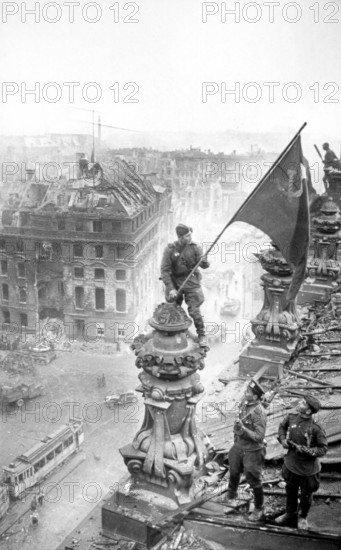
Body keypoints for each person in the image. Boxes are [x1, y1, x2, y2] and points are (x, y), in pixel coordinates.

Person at [276, 393, 328, 530]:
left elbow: (323, 449)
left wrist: (307, 451)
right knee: (290, 491)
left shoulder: (316, 428)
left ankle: (302, 517)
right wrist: (282, 439)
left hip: (308, 469)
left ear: (309, 410)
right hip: (292, 464)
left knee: (306, 495)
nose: (299, 403)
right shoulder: (291, 418)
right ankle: (289, 514)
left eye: (303, 403)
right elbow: (282, 427)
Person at [160, 224, 209, 345]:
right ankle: (176, 332)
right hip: (175, 282)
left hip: (191, 281)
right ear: (180, 237)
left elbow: (205, 266)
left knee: (194, 311)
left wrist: (204, 261)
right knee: (172, 308)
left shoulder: (195, 248)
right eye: (187, 236)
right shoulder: (170, 249)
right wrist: (170, 288)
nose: (190, 237)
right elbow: (165, 270)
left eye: (190, 235)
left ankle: (201, 334)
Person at [226, 379, 267, 522]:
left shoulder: (259, 413)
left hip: (253, 450)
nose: (245, 393)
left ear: (255, 397)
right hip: (239, 446)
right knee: (234, 471)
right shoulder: (244, 404)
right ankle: (231, 495)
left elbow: (259, 437)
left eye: (248, 392)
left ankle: (259, 508)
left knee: (254, 479)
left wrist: (243, 429)